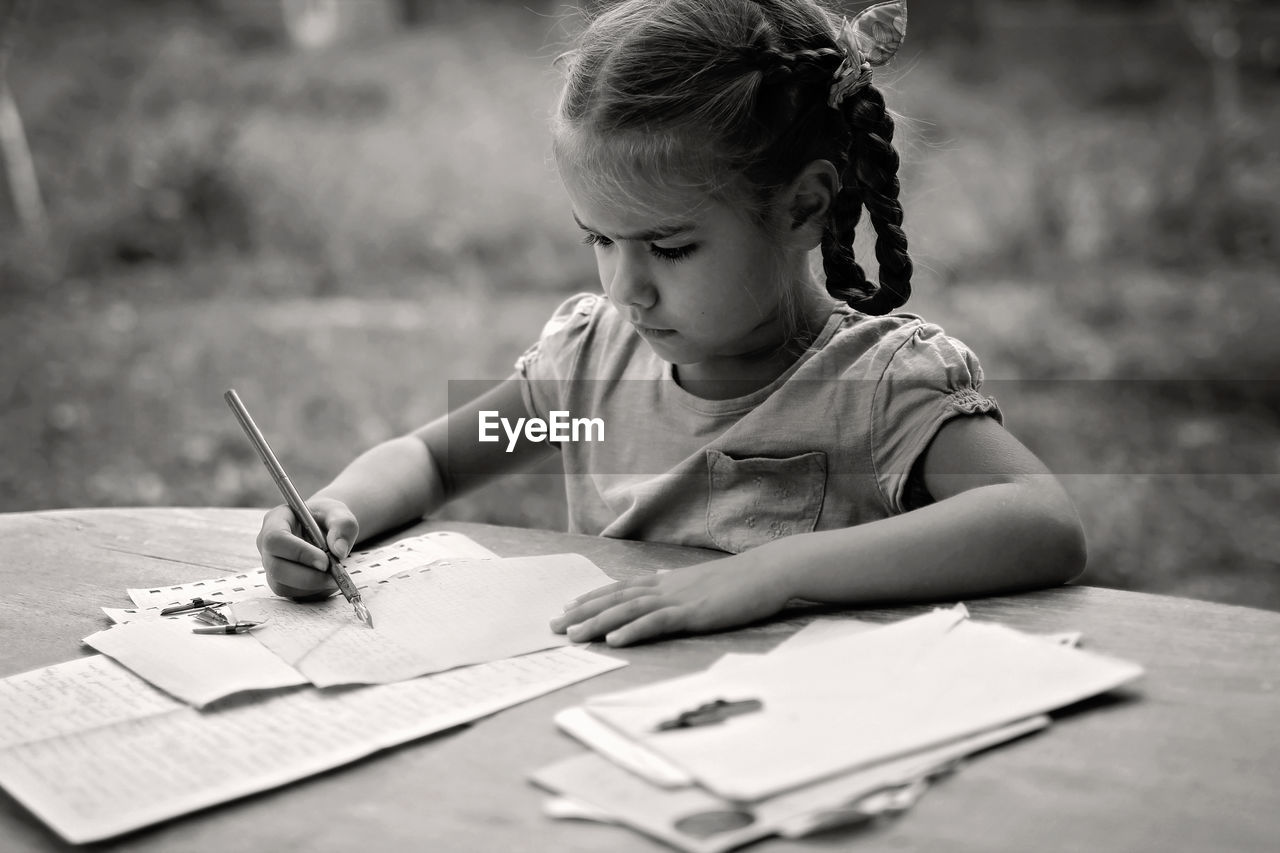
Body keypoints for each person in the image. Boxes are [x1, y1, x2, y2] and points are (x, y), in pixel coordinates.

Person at [256, 0, 1085, 647]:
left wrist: (775, 572)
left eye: (670, 246)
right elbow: (432, 463)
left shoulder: (873, 389)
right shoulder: (592, 378)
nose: (626, 290)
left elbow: (1039, 521)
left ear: (803, 208)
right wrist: (335, 509)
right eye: (599, 241)